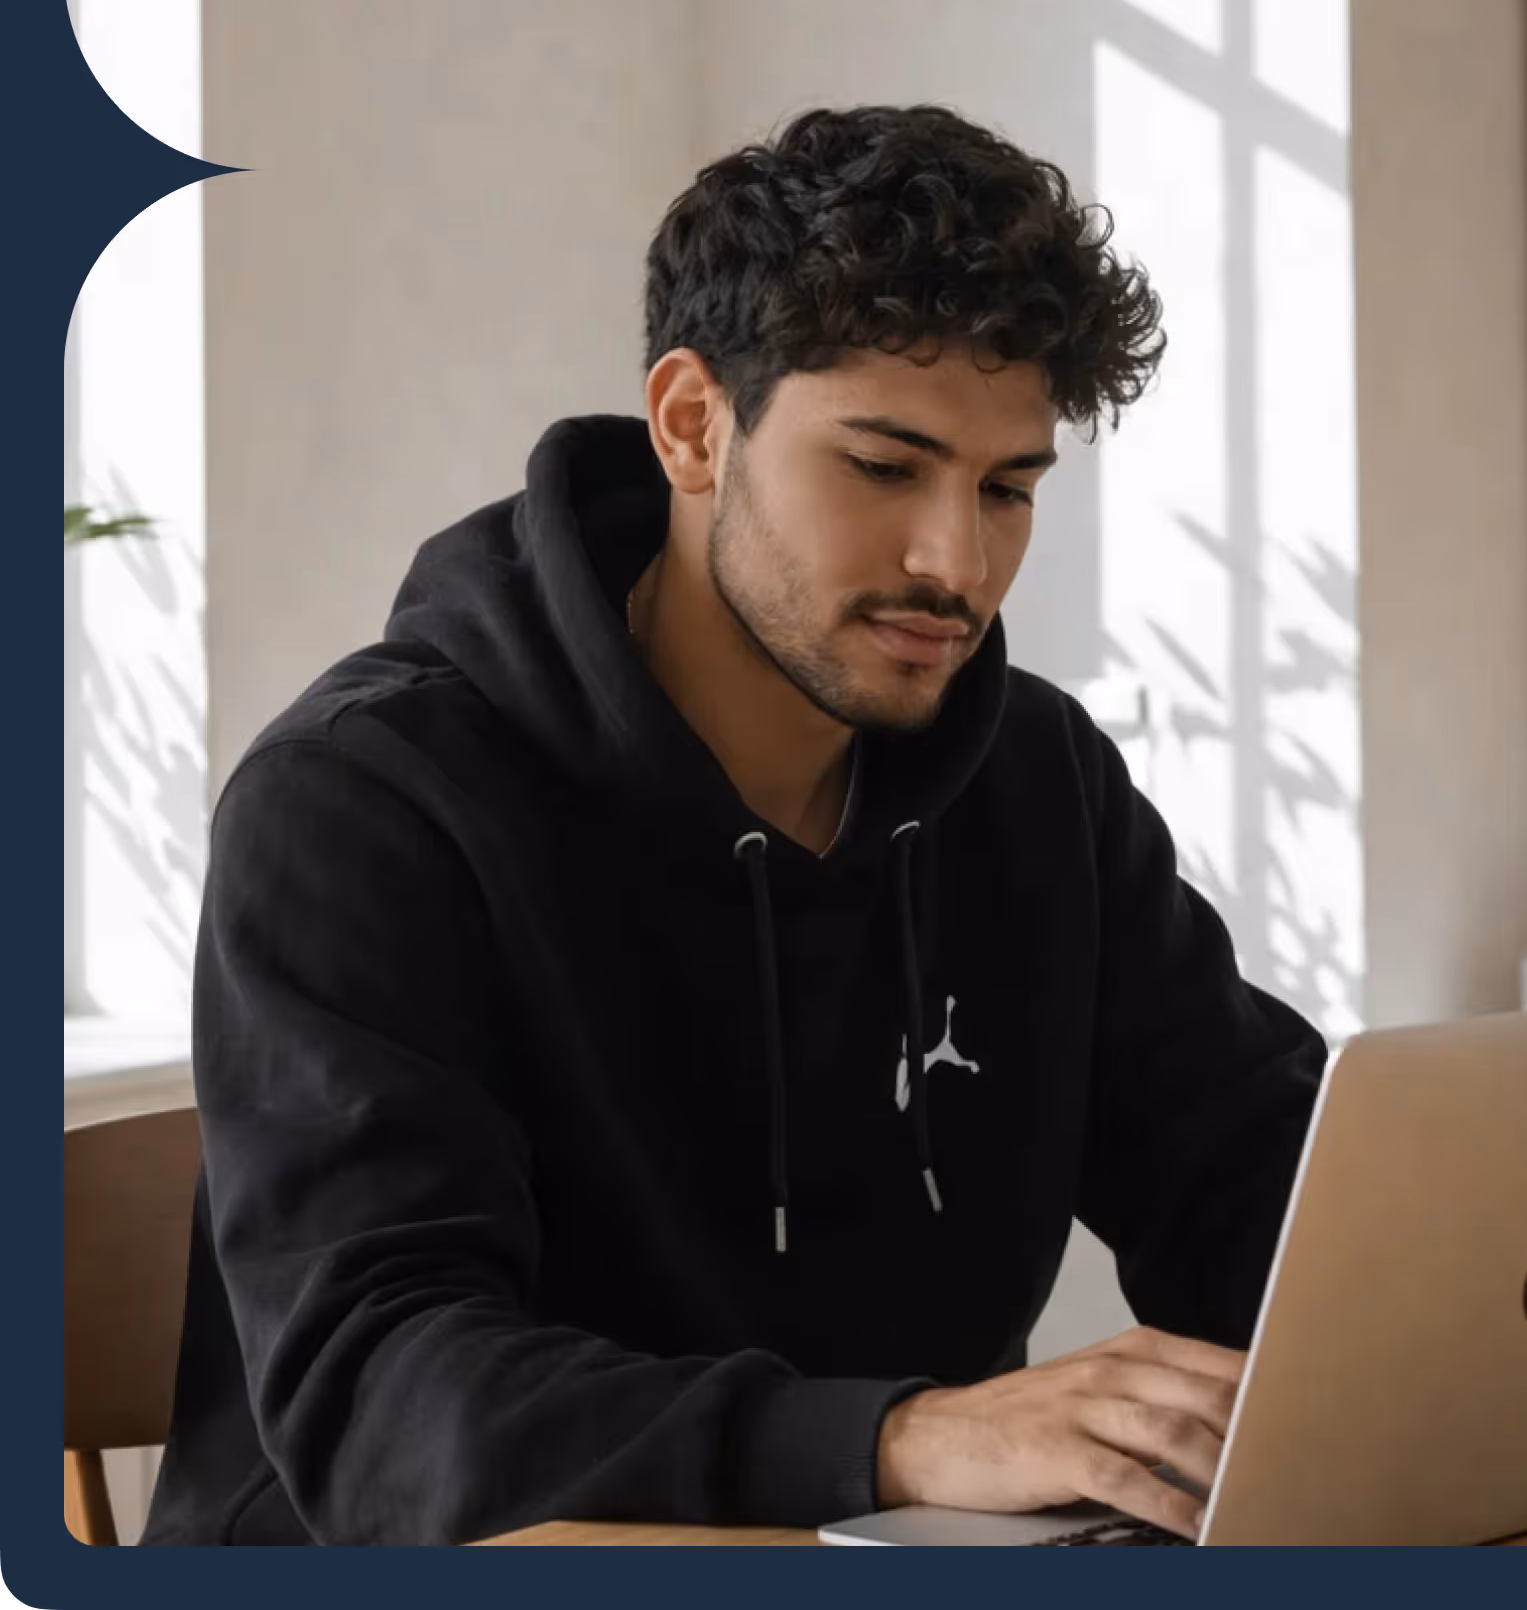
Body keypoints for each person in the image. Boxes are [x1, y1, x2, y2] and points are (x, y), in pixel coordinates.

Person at [142, 105, 1327, 1547]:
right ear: (694, 426)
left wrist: (1451, 1321)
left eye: (1008, 488)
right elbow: (391, 1407)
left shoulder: (1032, 781)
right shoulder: (366, 804)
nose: (957, 562)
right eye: (885, 469)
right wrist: (896, 1442)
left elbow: (1247, 1176)